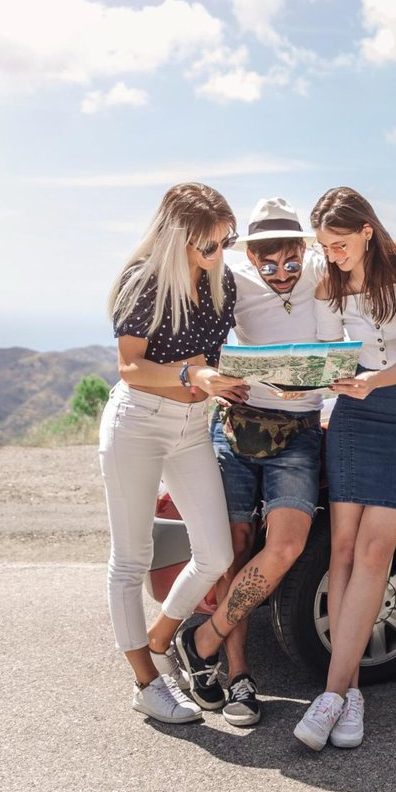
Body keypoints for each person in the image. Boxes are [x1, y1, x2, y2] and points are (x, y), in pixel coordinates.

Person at [170, 197, 396, 728]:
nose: (280, 271)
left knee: (314, 547)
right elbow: (197, 331)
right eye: (267, 262)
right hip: (252, 422)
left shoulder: (335, 268)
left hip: (332, 423)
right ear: (251, 255)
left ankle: (323, 689)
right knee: (249, 546)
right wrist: (209, 380)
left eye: (292, 259)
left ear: (306, 248)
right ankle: (249, 675)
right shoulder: (245, 279)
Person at [99, 182, 248, 724]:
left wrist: (236, 379)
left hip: (191, 425)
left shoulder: (221, 283)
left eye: (225, 242)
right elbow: (130, 366)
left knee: (215, 553)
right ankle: (146, 681)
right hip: (136, 420)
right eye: (208, 245)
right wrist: (193, 373)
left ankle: (161, 637)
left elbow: (217, 356)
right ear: (176, 239)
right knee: (131, 559)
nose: (218, 254)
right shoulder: (144, 282)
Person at [294, 187, 396, 751]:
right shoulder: (325, 278)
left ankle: (330, 696)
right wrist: (331, 378)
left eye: (342, 243)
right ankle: (350, 696)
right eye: (325, 245)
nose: (332, 254)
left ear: (367, 233)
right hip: (353, 414)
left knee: (376, 552)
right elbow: (333, 353)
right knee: (342, 551)